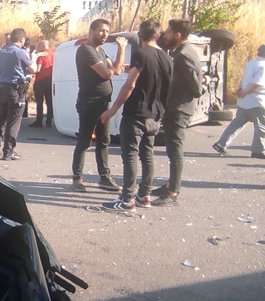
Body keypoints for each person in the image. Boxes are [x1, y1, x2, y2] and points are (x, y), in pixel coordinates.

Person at [101, 20, 170, 211]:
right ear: (157, 35)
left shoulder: (141, 54)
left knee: (130, 156)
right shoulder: (166, 57)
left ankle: (127, 199)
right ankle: (144, 196)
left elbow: (130, 84)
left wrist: (113, 108)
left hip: (136, 114)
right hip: (155, 114)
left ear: (139, 35)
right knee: (147, 156)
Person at [151, 19, 202, 205]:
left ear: (178, 34)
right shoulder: (183, 52)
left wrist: (178, 95)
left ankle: (173, 192)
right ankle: (170, 185)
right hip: (177, 107)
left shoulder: (183, 56)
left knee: (175, 151)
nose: (165, 34)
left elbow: (196, 87)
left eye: (169, 31)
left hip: (178, 109)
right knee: (172, 150)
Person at [71, 20, 125, 192]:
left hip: (103, 103)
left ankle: (104, 177)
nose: (105, 34)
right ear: (91, 31)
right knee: (84, 141)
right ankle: (77, 178)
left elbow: (116, 70)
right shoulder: (86, 50)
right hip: (89, 103)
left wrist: (121, 51)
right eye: (101, 31)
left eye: (107, 31)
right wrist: (112, 70)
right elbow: (106, 73)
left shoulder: (100, 51)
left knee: (104, 140)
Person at [212, 44, 265, 160]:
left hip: (246, 101)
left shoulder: (251, 63)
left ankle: (221, 143)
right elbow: (258, 83)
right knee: (261, 127)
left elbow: (246, 80)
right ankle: (258, 151)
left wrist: (242, 91)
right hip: (258, 100)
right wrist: (244, 92)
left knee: (237, 123)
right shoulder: (264, 66)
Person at [0, 28, 32, 160]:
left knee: (1, 119)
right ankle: (8, 151)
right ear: (22, 39)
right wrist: (34, 58)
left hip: (1, 87)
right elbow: (33, 69)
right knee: (13, 121)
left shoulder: (1, 51)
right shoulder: (20, 52)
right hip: (15, 89)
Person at [28, 38, 55, 128]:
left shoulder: (41, 56)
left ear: (43, 46)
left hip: (40, 81)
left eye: (39, 45)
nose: (38, 47)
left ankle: (39, 120)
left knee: (39, 101)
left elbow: (38, 69)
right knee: (49, 101)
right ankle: (49, 121)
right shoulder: (54, 54)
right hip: (50, 80)